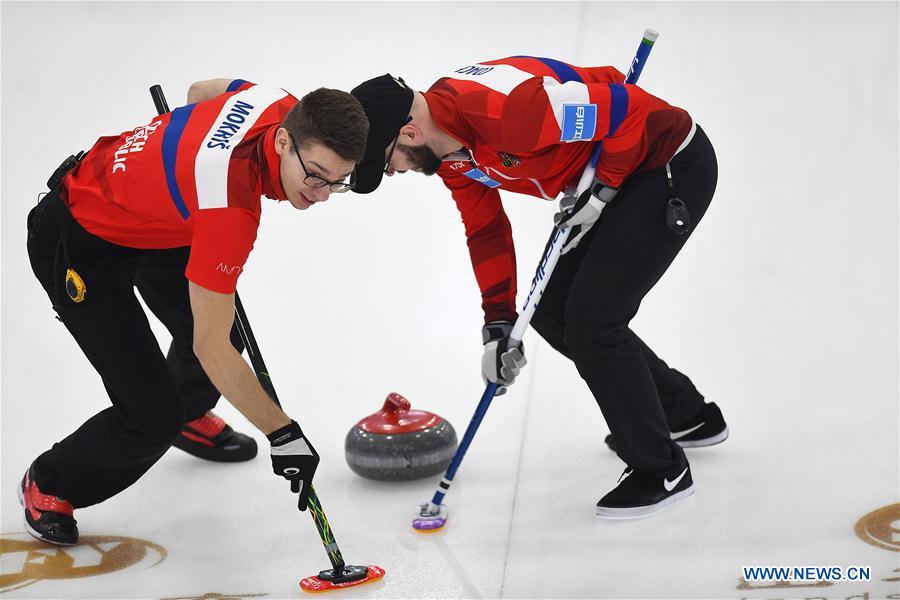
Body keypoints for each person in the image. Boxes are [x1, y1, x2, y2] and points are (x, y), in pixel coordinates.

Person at [350, 57, 727, 519]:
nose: (393, 172)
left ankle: (661, 469)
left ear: (409, 133)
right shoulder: (452, 154)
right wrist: (497, 325)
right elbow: (486, 231)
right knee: (551, 310)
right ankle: (684, 415)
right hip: (613, 178)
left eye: (386, 161)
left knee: (593, 322)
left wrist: (605, 187)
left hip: (666, 164)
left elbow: (630, 109)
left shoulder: (510, 114)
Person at [22, 79, 369, 544]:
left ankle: (187, 414)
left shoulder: (274, 101)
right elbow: (209, 348)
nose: (324, 194)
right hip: (78, 242)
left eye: (338, 181)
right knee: (153, 415)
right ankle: (51, 481)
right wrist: (283, 433)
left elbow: (201, 90)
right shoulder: (230, 209)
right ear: (284, 140)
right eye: (316, 175)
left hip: (156, 221)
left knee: (221, 335)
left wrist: (183, 174)